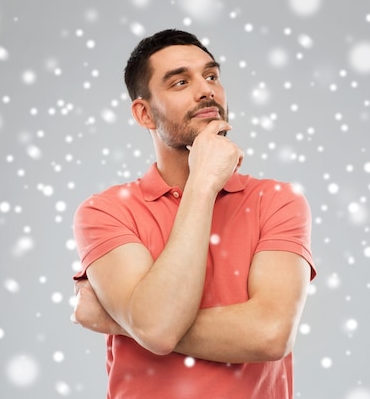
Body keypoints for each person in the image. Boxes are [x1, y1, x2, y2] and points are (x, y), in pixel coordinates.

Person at [71, 28, 316, 399]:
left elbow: (269, 333)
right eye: (180, 82)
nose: (206, 90)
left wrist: (124, 322)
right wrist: (203, 182)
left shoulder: (276, 201)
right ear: (144, 113)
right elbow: (155, 328)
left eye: (212, 75)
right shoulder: (106, 212)